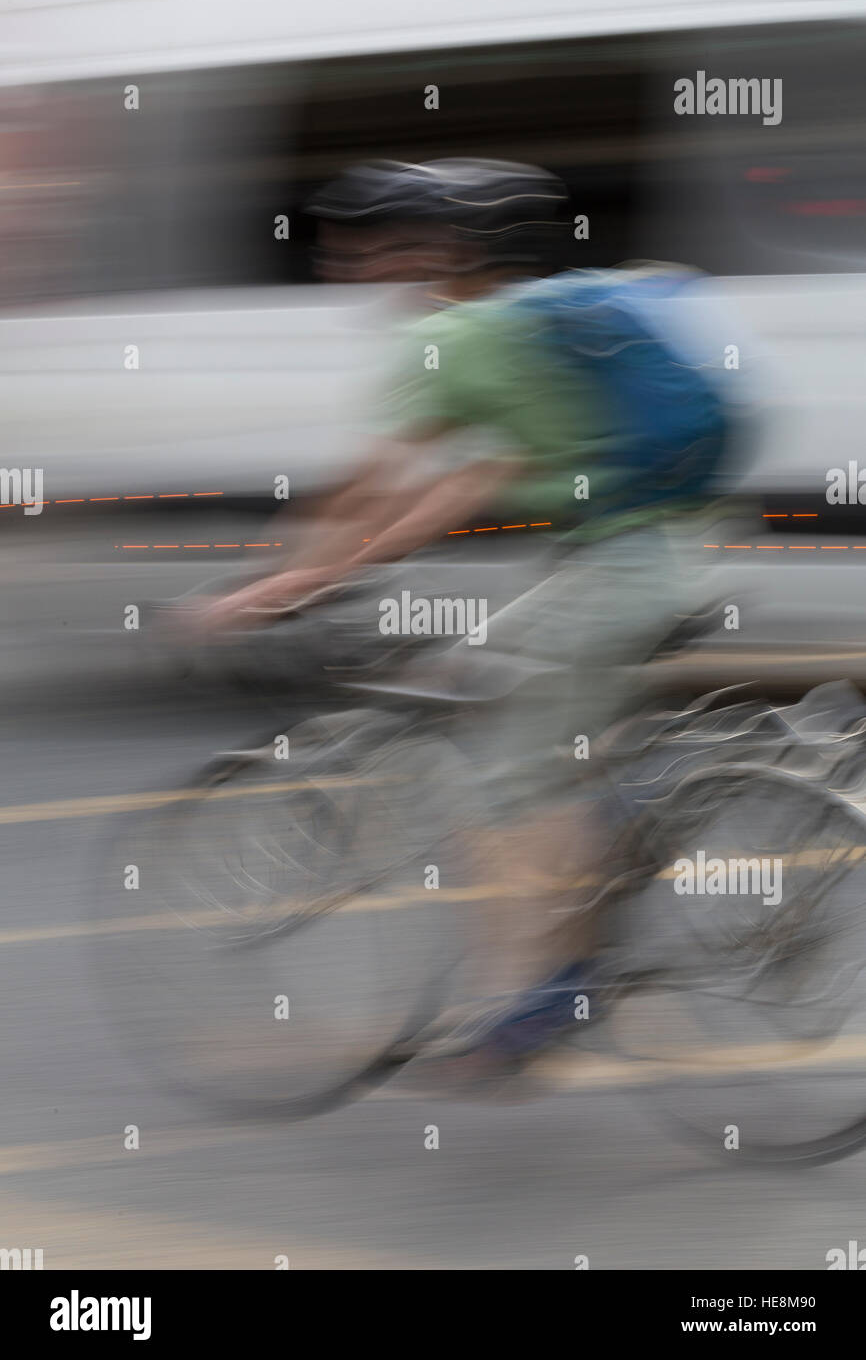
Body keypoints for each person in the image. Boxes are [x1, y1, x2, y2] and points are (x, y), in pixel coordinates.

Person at [193, 158, 709, 1070]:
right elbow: (478, 477)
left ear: (433, 253)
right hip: (669, 553)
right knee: (501, 683)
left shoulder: (457, 339)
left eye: (368, 253)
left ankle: (534, 1008)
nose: (349, 272)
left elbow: (369, 485)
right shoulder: (534, 330)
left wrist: (270, 589)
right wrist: (353, 561)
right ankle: (616, 833)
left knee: (502, 781)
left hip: (620, 572)